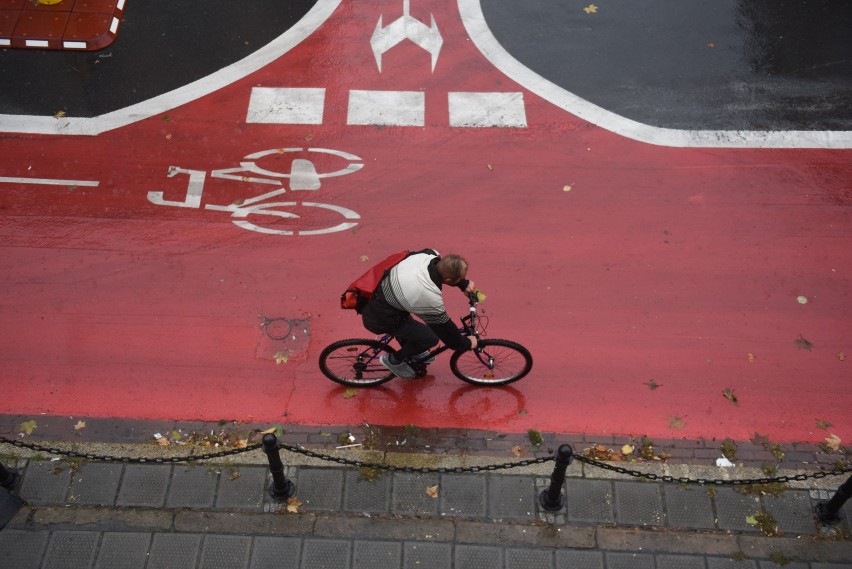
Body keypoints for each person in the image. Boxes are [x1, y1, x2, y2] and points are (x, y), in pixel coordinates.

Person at [361, 249, 478, 379]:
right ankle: (393, 360)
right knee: (430, 338)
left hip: (384, 300)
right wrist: (465, 343)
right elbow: (445, 328)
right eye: (460, 279)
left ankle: (413, 351)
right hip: (381, 317)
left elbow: (447, 270)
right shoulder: (427, 294)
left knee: (415, 331)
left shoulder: (428, 255)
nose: (462, 280)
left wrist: (463, 284)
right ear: (449, 280)